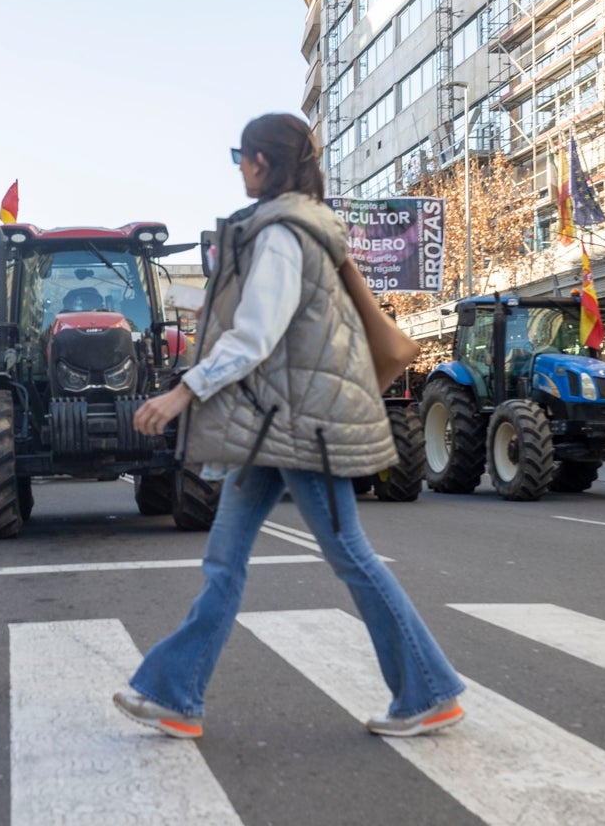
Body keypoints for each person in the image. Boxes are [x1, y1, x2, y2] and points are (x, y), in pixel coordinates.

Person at [113, 113, 465, 740]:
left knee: (351, 556)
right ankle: (175, 694)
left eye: (244, 157)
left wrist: (181, 394)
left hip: (306, 427)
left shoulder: (283, 233)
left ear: (266, 165)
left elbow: (256, 334)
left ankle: (428, 691)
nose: (241, 169)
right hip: (276, 426)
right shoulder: (293, 227)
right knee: (225, 558)